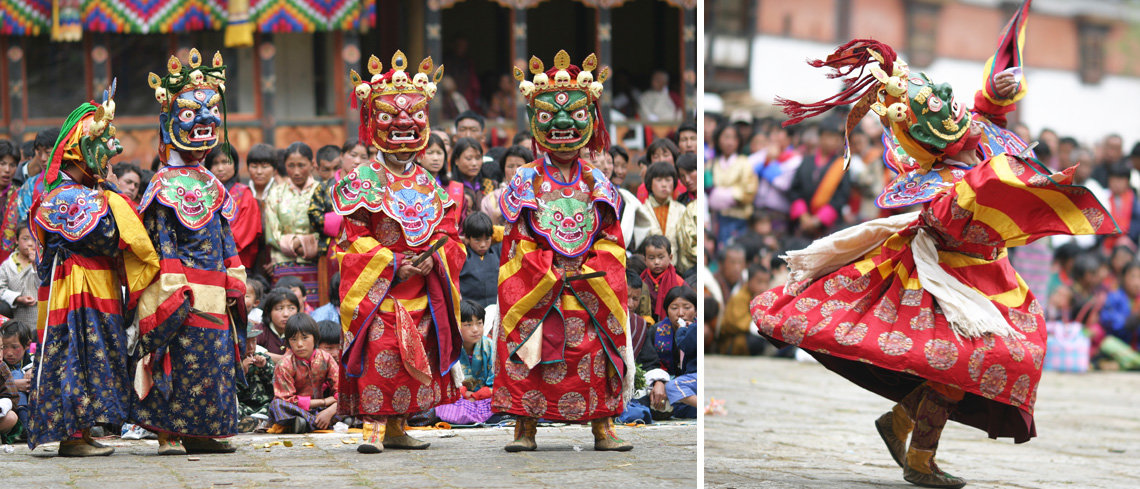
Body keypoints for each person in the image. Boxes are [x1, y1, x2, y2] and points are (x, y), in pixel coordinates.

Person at [752, 29, 1118, 488]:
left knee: (997, 355)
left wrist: (996, 92)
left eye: (953, 107)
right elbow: (948, 220)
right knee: (959, 359)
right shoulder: (938, 179)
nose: (957, 112)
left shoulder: (982, 134)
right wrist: (982, 183)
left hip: (991, 274)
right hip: (941, 278)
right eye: (945, 114)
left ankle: (902, 423)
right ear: (933, 137)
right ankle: (920, 459)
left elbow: (989, 111)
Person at [496, 50, 633, 452]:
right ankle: (525, 427)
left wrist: (589, 271)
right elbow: (516, 241)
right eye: (548, 117)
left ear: (590, 119)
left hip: (590, 286)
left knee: (597, 345)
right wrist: (549, 270)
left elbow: (612, 240)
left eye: (574, 116)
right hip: (540, 287)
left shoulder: (599, 183)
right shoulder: (524, 180)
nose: (561, 125)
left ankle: (603, 425)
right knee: (529, 345)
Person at [337, 51, 466, 454]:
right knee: (380, 351)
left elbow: (450, 233)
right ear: (373, 122)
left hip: (422, 284)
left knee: (416, 359)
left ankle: (398, 426)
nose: (404, 126)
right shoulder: (363, 179)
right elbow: (353, 236)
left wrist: (434, 258)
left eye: (413, 117)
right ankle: (373, 428)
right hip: (382, 286)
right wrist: (392, 262)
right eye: (391, 117)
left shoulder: (430, 182)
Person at [26, 86, 160, 455]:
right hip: (76, 288)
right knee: (76, 353)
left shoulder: (82, 193)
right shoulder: (70, 196)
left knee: (93, 354)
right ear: (84, 152)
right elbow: (105, 236)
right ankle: (72, 436)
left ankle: (82, 432)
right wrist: (112, 194)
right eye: (106, 146)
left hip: (90, 284)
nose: (112, 153)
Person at [133, 49, 247, 455]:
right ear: (169, 123)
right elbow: (162, 237)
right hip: (180, 287)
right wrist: (171, 281)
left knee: (214, 363)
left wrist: (236, 271)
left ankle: (205, 432)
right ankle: (167, 432)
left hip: (215, 286)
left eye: (212, 111)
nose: (206, 122)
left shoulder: (211, 182)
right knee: (178, 359)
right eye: (191, 114)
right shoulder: (163, 184)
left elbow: (223, 232)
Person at [264, 142, 321, 307]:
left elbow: (327, 230)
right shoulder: (276, 192)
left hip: (315, 264)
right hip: (282, 263)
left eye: (301, 165)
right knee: (284, 312)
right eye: (291, 166)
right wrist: (296, 244)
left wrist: (302, 244)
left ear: (312, 164)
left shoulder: (322, 191)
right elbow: (271, 232)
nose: (296, 171)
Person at [267, 314, 339, 434]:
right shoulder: (284, 364)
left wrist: (330, 410)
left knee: (351, 400)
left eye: (305, 338)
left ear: (315, 338)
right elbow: (287, 399)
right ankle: (319, 423)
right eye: (294, 339)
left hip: (324, 409)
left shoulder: (326, 358)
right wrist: (324, 401)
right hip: (297, 409)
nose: (299, 344)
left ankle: (309, 423)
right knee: (277, 405)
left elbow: (341, 390)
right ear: (289, 342)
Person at [434, 300, 496, 425]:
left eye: (479, 323)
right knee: (443, 405)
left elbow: (495, 382)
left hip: (484, 398)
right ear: (457, 325)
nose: (475, 330)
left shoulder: (490, 346)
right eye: (468, 325)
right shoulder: (448, 348)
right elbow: (444, 381)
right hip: (458, 397)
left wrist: (477, 395)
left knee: (501, 402)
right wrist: (463, 392)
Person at [205, 143, 263, 270]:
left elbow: (244, 234)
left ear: (235, 165)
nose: (220, 168)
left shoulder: (245, 194)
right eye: (215, 163)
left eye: (226, 162)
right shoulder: (202, 195)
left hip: (237, 264)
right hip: (206, 263)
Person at [644, 286, 697, 419]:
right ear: (667, 311)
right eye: (674, 308)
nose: (680, 313)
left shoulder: (696, 330)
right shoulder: (656, 331)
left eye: (687, 307)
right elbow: (649, 362)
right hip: (663, 386)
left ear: (696, 311)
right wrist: (659, 381)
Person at [708, 123, 758, 244]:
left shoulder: (744, 162)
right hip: (716, 218)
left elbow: (750, 191)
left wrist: (726, 195)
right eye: (726, 137)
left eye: (734, 138)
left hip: (738, 218)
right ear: (718, 139)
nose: (730, 142)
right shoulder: (711, 164)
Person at [719, 264, 771, 355]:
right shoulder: (740, 297)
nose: (763, 287)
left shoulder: (764, 297)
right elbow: (740, 323)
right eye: (759, 282)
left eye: (766, 283)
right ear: (749, 281)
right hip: (734, 341)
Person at [643, 162, 687, 265]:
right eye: (659, 180)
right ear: (650, 183)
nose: (664, 184)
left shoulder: (682, 210)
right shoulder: (642, 211)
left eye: (668, 180)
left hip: (676, 269)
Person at [458, 211, 499, 308]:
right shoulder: (462, 256)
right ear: (467, 238)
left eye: (487, 239)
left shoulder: (497, 251)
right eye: (477, 240)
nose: (483, 245)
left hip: (495, 311)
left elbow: (507, 233)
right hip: (470, 313)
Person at [0, 223, 39, 325]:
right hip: (16, 316)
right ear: (16, 240)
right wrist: (17, 299)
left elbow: (44, 286)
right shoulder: (7, 265)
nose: (30, 243)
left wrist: (36, 265)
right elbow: (1, 289)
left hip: (39, 314)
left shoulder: (43, 263)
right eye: (25, 239)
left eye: (34, 238)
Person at [640, 235, 685, 323]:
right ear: (645, 260)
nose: (656, 262)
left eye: (661, 257)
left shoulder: (678, 281)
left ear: (670, 258)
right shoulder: (642, 282)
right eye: (651, 258)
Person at [1, 320, 32, 443]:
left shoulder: (32, 359)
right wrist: (14, 385)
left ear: (27, 345)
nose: (8, 353)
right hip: (6, 408)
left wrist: (32, 371)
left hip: (29, 407)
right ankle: (25, 426)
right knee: (16, 374)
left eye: (15, 347)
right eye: (4, 347)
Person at [256, 288, 301, 363]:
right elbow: (249, 350)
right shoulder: (259, 331)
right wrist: (284, 359)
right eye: (279, 308)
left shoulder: (303, 330)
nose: (286, 314)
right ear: (268, 311)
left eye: (291, 308)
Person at [0, 139, 19, 264]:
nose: (7, 169)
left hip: (9, 264)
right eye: (2, 163)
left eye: (12, 165)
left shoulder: (20, 195)